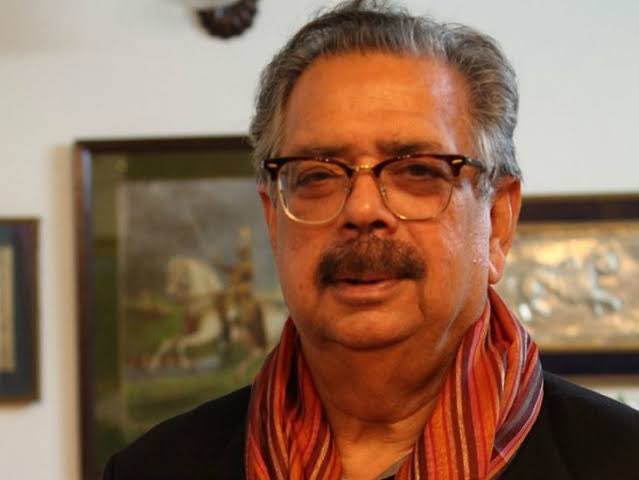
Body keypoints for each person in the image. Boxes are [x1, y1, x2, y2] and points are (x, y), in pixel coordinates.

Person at [103, 1, 639, 479]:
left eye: (419, 171)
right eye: (317, 175)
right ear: (273, 219)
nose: (362, 210)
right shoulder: (154, 469)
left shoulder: (622, 459)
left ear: (498, 221)